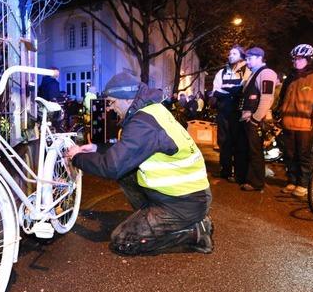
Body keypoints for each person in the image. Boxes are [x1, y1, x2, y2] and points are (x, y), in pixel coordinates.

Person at [67, 71, 213, 256]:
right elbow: (130, 151)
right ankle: (154, 219)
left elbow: (112, 167)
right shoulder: (149, 112)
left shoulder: (142, 123)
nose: (110, 108)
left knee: (123, 241)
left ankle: (195, 231)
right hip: (185, 195)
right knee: (126, 172)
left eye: (112, 102)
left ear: (127, 99)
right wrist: (98, 148)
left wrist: (76, 157)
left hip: (184, 202)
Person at [276, 43, 313, 197]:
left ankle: (302, 184)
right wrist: (278, 112)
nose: (296, 62)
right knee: (289, 154)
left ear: (308, 60)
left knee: (303, 155)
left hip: (305, 124)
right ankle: (292, 180)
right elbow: (283, 97)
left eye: (300, 59)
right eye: (294, 59)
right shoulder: (291, 76)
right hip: (288, 122)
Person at [235, 47, 278, 191]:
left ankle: (256, 182)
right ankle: (246, 178)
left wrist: (256, 118)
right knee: (247, 149)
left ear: (260, 58)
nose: (247, 61)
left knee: (255, 151)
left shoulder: (266, 73)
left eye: (250, 58)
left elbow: (267, 98)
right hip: (248, 119)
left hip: (254, 120)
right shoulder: (253, 74)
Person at [210, 45, 251, 181]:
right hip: (224, 112)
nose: (230, 55)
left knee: (237, 142)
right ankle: (225, 170)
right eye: (230, 53)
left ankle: (238, 172)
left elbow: (243, 89)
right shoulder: (221, 72)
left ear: (241, 56)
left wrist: (226, 92)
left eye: (234, 53)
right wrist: (232, 92)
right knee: (223, 141)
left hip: (237, 112)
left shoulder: (246, 71)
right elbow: (215, 91)